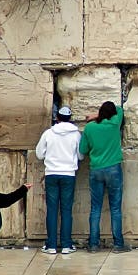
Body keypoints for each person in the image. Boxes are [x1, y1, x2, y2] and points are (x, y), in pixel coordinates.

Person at [80, 101, 128, 253]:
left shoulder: (90, 128)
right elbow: (120, 109)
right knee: (115, 208)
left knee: (95, 208)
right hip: (113, 168)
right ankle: (118, 244)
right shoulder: (114, 123)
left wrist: (95, 116)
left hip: (96, 169)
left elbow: (83, 149)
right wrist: (99, 115)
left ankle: (93, 244)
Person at [35, 106, 82, 255]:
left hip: (52, 174)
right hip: (68, 174)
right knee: (67, 210)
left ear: (57, 118)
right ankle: (67, 245)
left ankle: (51, 245)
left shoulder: (48, 133)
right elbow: (81, 155)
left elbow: (39, 154)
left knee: (52, 209)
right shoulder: (76, 134)